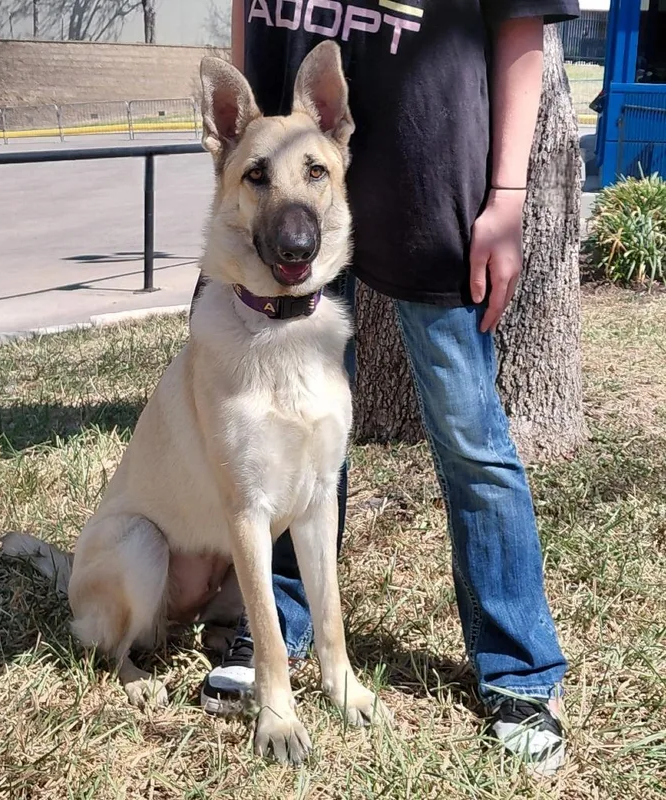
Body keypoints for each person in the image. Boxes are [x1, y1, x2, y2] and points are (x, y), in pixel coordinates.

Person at [197, 0, 579, 775]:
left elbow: (519, 21)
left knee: (470, 434)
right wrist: (250, 130)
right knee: (291, 436)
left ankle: (519, 668)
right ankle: (285, 626)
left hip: (425, 170)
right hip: (288, 173)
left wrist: (506, 198)